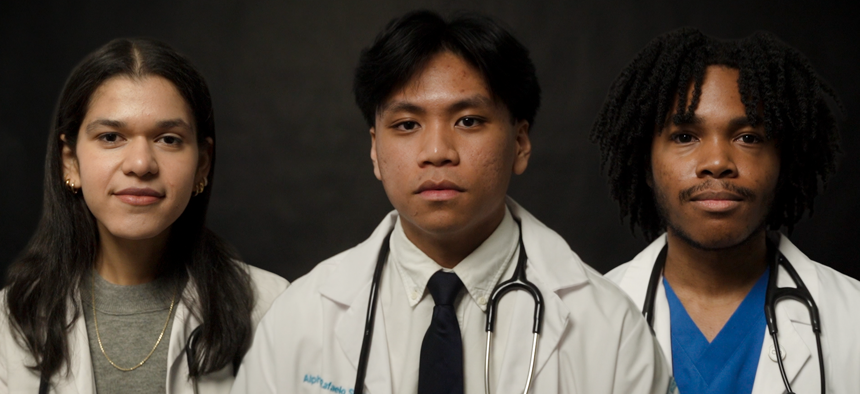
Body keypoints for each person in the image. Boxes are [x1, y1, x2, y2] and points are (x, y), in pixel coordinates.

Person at [232, 10, 675, 394]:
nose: (437, 151)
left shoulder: (609, 327)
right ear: (374, 151)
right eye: (407, 125)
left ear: (520, 142)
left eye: (468, 120)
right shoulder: (303, 315)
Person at [0, 38, 288, 394]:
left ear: (202, 164)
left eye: (168, 139)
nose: (140, 164)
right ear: (70, 162)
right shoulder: (9, 321)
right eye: (111, 137)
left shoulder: (273, 308)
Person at [593, 27, 860, 393]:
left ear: (784, 163)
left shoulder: (852, 316)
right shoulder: (584, 320)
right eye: (685, 136)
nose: (717, 162)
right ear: (647, 167)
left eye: (748, 137)